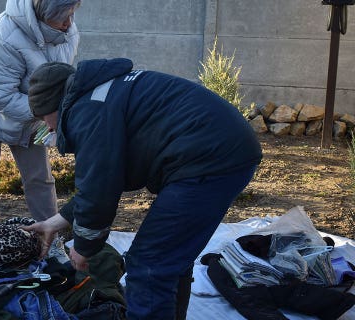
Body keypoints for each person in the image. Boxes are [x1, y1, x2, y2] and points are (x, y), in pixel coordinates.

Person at [23, 58, 263, 319]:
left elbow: (99, 191)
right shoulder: (101, 95)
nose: (47, 126)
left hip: (208, 160)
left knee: (149, 264)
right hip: (219, 152)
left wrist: (83, 246)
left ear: (54, 104)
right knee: (169, 259)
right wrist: (55, 223)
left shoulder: (88, 111)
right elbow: (101, 180)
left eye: (43, 117)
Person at [0, 0, 81, 228]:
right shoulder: (1, 38)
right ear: (43, 14)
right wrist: (47, 112)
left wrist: (54, 111)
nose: (69, 23)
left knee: (40, 179)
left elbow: (55, 82)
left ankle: (49, 238)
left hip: (33, 113)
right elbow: (1, 97)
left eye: (71, 13)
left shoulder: (67, 31)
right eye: (62, 16)